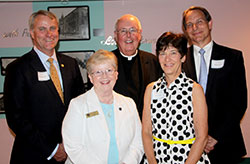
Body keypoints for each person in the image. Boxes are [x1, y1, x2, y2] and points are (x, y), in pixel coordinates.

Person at [4, 10, 84, 164]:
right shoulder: (18, 68)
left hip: (71, 154)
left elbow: (79, 105)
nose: (49, 34)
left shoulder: (70, 64)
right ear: (32, 33)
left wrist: (71, 144)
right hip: (34, 155)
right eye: (42, 29)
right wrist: (52, 149)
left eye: (53, 28)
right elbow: (16, 118)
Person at [182, 6, 247, 164]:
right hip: (189, 146)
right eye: (189, 25)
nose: (195, 28)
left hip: (225, 143)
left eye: (199, 22)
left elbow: (239, 102)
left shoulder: (233, 57)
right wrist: (199, 138)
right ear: (185, 30)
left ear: (210, 23)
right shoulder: (178, 60)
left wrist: (215, 136)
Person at [62, 49, 143, 164]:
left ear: (116, 74)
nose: (105, 76)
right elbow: (73, 147)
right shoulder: (78, 105)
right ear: (90, 77)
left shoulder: (129, 103)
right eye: (98, 72)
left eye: (109, 70)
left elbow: (138, 142)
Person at [142, 32, 210, 164]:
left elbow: (202, 137)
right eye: (162, 53)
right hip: (157, 158)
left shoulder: (194, 90)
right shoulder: (151, 89)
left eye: (173, 53)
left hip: (188, 159)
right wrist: (152, 161)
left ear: (183, 57)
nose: (167, 59)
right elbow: (146, 131)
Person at [112, 14, 161, 119]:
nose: (128, 35)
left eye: (133, 30)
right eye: (123, 31)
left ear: (140, 34)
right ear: (116, 35)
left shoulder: (154, 61)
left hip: (148, 127)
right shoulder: (106, 63)